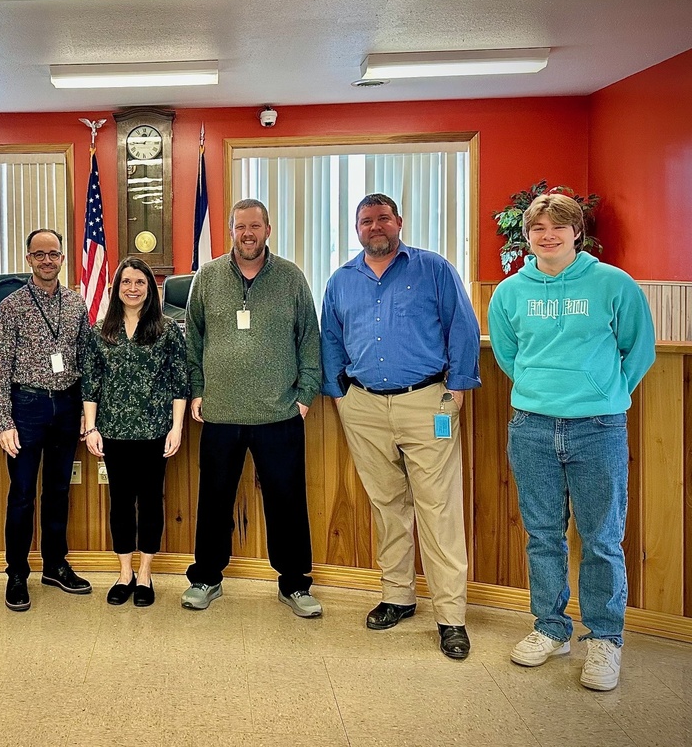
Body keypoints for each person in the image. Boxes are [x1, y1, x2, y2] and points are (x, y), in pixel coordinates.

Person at [488, 193, 655, 691]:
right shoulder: (509, 293)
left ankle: (604, 638)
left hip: (598, 428)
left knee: (602, 538)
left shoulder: (613, 283)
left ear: (576, 232)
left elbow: (638, 349)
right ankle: (550, 628)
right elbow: (508, 355)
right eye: (538, 228)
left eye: (558, 227)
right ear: (527, 236)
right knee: (543, 535)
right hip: (532, 425)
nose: (548, 236)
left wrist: (605, 393)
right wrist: (540, 390)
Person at [320, 193, 480, 660]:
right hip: (364, 407)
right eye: (366, 221)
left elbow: (462, 327)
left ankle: (451, 616)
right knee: (387, 504)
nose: (375, 227)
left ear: (399, 222)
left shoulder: (433, 269)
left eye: (383, 219)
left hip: (427, 403)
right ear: (357, 229)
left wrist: (457, 390)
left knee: (438, 508)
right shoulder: (341, 280)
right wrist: (340, 395)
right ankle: (397, 597)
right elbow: (331, 338)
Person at [181, 198, 323, 618]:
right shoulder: (207, 277)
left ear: (268, 230)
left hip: (279, 413)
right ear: (231, 231)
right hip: (220, 413)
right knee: (214, 500)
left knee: (287, 502)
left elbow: (309, 339)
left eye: (255, 226)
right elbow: (192, 339)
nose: (248, 233)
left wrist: (305, 396)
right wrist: (198, 389)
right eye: (240, 226)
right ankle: (206, 578)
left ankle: (295, 584)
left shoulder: (291, 278)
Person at [0, 228, 92, 611]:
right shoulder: (12, 305)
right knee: (21, 494)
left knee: (59, 491)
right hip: (26, 408)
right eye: (39, 254)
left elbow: (86, 361)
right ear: (28, 259)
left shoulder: (76, 303)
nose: (47, 260)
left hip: (66, 406)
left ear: (62, 258)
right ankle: (17, 573)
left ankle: (55, 565)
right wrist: (5, 422)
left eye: (53, 254)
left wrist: (86, 412)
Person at [81, 257, 188, 608]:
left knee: (151, 501)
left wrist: (177, 428)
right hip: (113, 431)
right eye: (126, 282)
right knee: (121, 503)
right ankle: (124, 573)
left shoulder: (167, 330)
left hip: (155, 431)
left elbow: (178, 382)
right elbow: (91, 384)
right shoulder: (101, 331)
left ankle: (145, 573)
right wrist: (91, 427)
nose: (132, 288)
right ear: (116, 288)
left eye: (140, 282)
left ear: (150, 288)